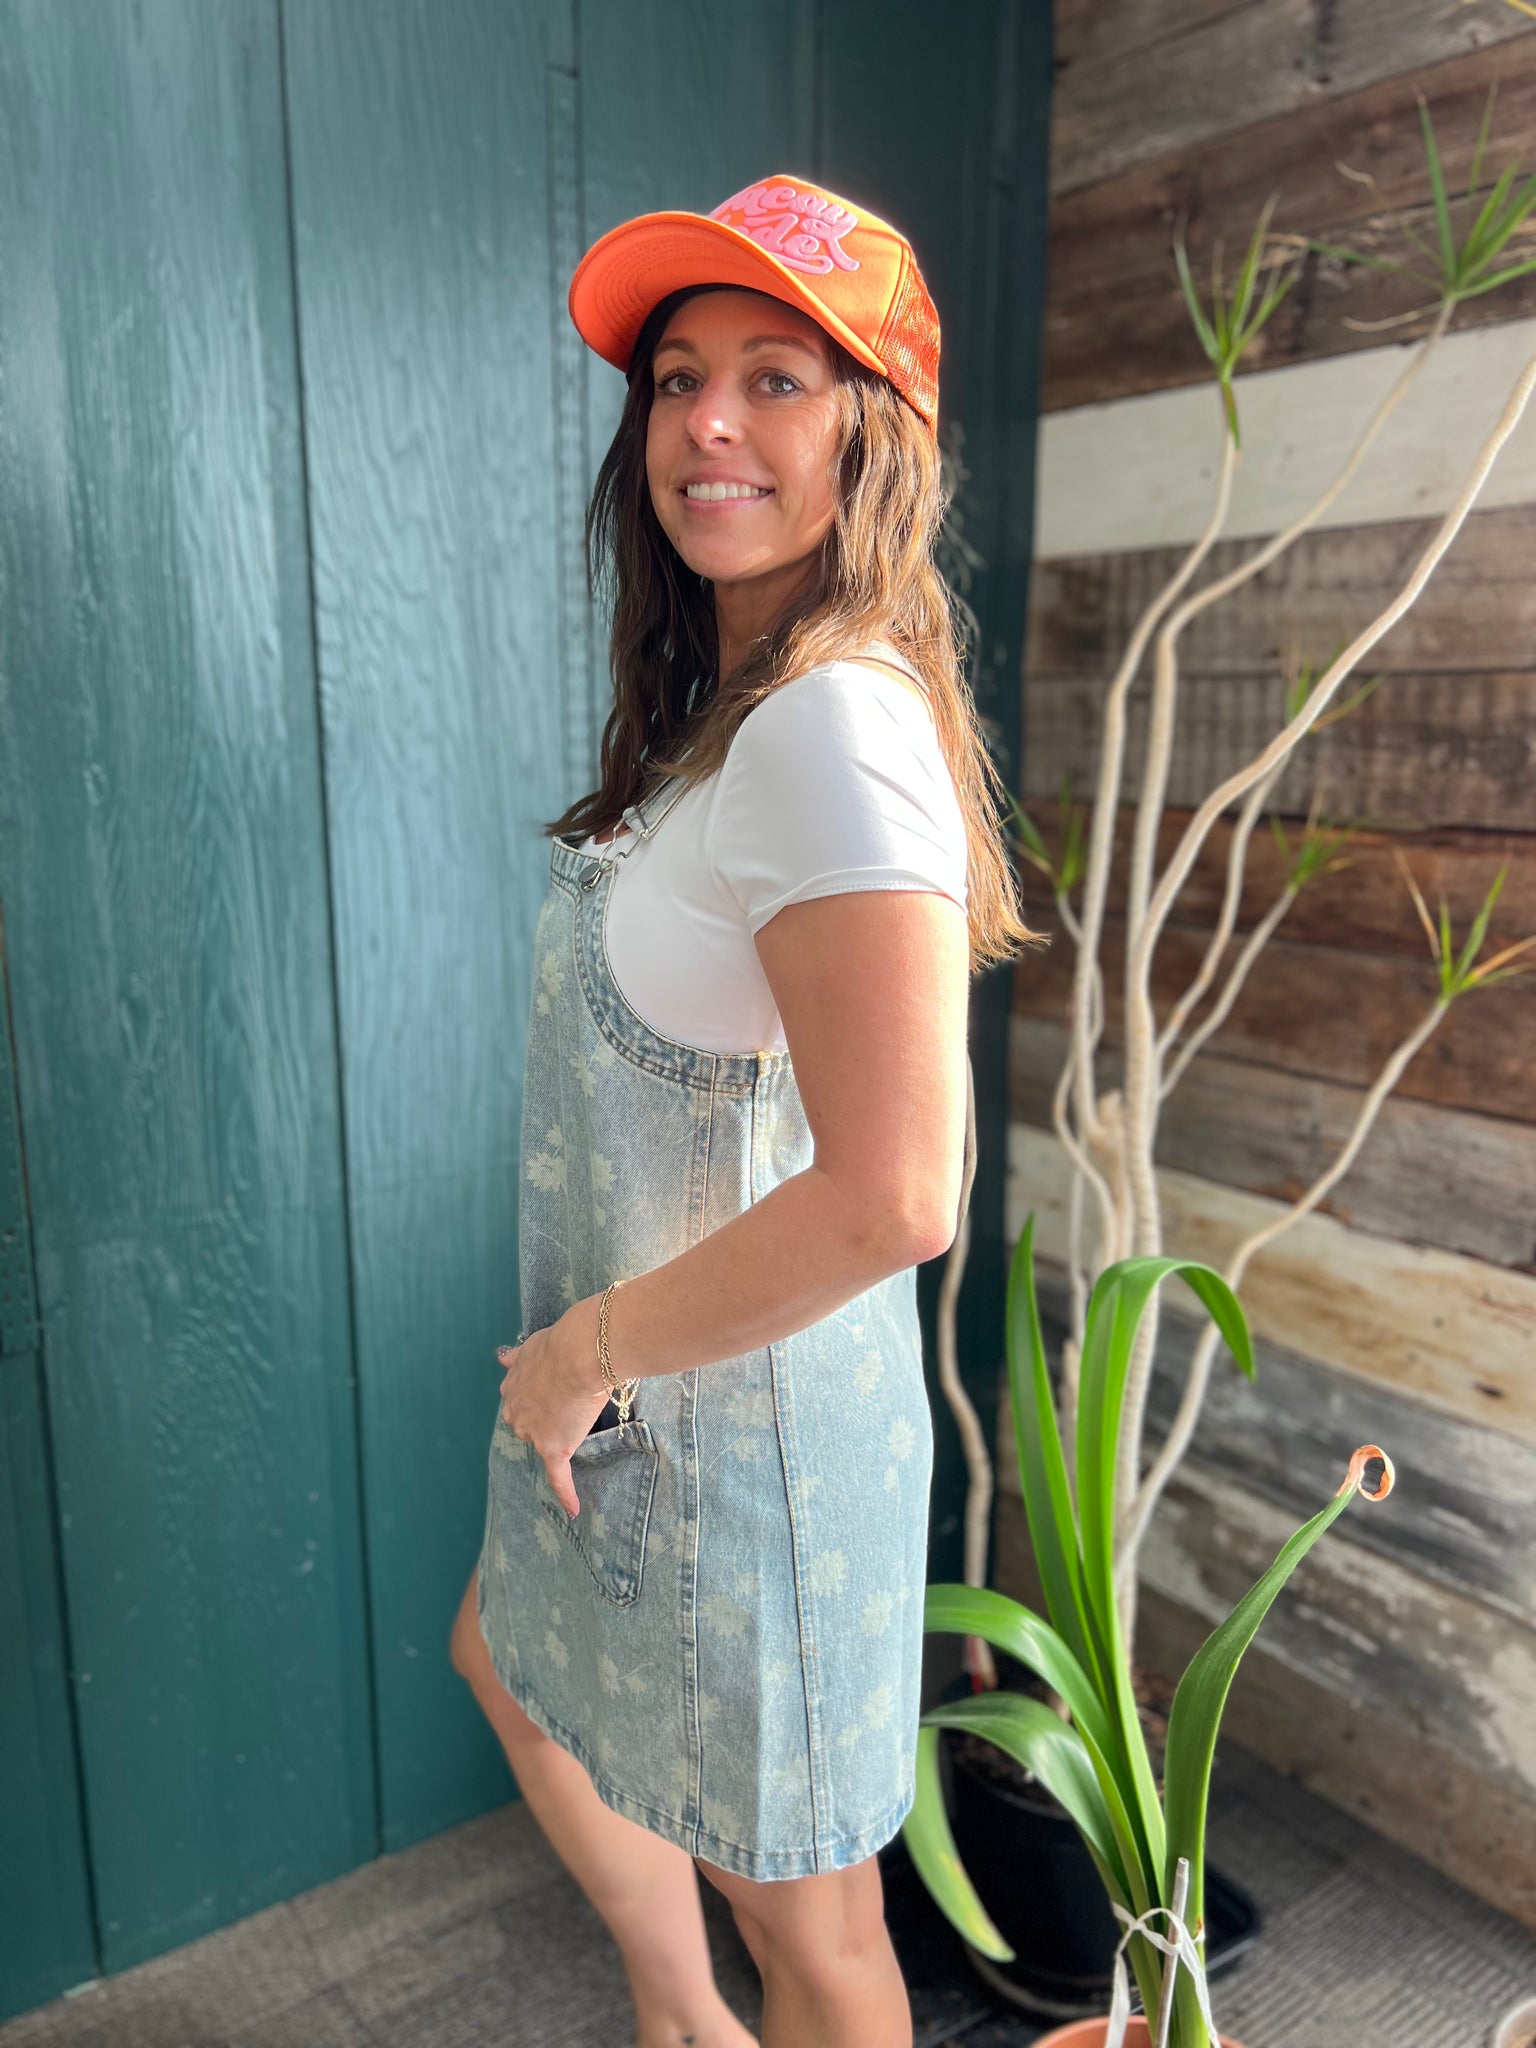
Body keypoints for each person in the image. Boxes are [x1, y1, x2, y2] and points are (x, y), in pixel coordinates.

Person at [448, 173, 1038, 2048]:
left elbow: (899, 1192)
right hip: (651, 1405)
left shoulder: (830, 727)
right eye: (678, 377)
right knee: (510, 1663)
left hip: (741, 1446)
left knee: (820, 1936)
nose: (707, 421)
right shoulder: (740, 712)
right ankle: (682, 2018)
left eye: (778, 377)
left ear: (878, 436)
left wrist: (583, 1354)